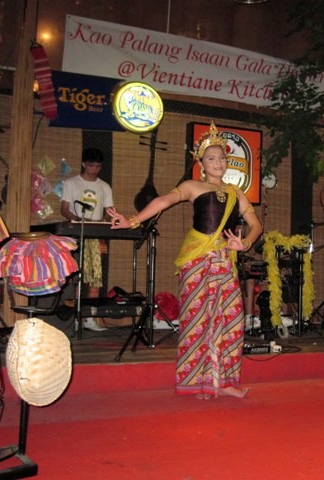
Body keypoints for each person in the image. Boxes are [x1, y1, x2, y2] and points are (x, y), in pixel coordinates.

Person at [108, 122, 262, 399]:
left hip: (225, 262)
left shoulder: (236, 192)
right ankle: (198, 382)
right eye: (211, 158)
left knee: (231, 321)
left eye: (221, 158)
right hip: (197, 260)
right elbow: (163, 201)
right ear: (201, 163)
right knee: (196, 321)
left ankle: (225, 382)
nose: (218, 162)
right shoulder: (192, 186)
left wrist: (246, 243)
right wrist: (133, 220)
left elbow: (256, 225)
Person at [60, 147, 114, 331]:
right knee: (76, 275)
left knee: (95, 275)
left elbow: (109, 211)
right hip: (76, 234)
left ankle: (89, 317)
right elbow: (64, 208)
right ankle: (76, 316)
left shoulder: (104, 186)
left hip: (96, 233)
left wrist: (107, 219)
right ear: (83, 164)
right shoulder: (71, 183)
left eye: (98, 166)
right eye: (91, 166)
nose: (94, 170)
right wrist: (76, 219)